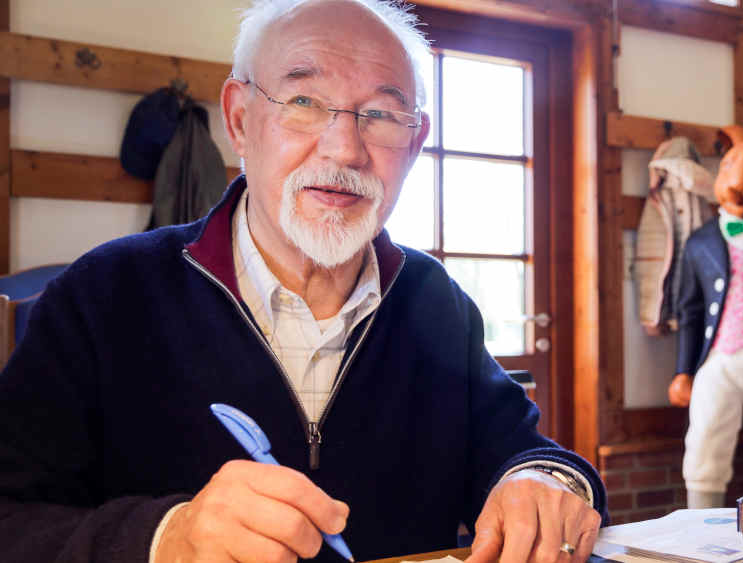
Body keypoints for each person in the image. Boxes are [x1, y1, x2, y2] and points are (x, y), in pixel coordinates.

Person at [0, 1, 607, 561]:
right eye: (303, 102)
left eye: (381, 114)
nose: (344, 149)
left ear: (416, 142)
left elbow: (525, 453)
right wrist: (164, 538)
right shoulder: (105, 293)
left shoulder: (433, 299)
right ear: (240, 120)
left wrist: (544, 482)